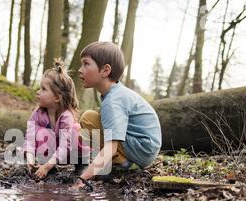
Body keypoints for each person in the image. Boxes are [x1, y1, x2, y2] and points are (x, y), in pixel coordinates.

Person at [72, 41, 162, 190]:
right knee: (92, 119)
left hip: (142, 147)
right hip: (145, 148)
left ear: (105, 70)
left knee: (88, 118)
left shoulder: (113, 101)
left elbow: (110, 148)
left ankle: (123, 163)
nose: (80, 70)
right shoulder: (115, 94)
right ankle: (121, 162)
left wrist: (83, 179)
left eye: (86, 64)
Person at [24, 59, 88, 179]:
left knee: (76, 131)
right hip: (52, 152)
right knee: (41, 133)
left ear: (57, 98)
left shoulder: (66, 116)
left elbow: (65, 146)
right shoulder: (37, 114)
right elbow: (30, 138)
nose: (38, 92)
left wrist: (47, 166)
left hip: (71, 152)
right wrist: (30, 158)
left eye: (43, 89)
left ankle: (81, 163)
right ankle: (47, 164)